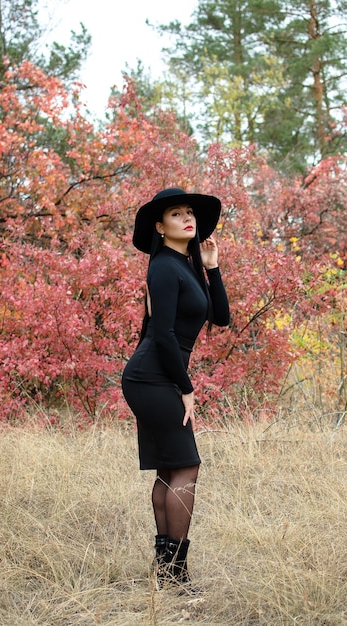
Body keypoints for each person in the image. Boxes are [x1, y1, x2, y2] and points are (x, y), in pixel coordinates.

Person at [121, 187, 230, 590]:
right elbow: (164, 335)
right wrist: (186, 388)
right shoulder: (164, 266)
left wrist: (212, 266)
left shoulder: (185, 266)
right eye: (175, 214)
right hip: (153, 377)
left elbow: (221, 317)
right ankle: (175, 574)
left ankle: (168, 573)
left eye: (190, 212)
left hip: (158, 375)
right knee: (186, 467)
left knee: (170, 471)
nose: (187, 218)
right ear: (159, 226)